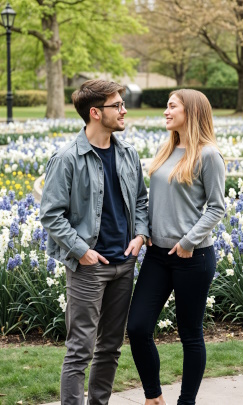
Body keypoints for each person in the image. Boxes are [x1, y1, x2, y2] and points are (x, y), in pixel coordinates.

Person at [40, 79, 149, 405]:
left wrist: (141, 236)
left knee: (110, 348)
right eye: (117, 105)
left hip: (124, 263)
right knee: (80, 350)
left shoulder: (128, 153)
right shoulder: (68, 158)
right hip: (89, 268)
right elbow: (51, 214)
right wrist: (81, 251)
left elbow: (142, 201)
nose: (124, 110)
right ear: (95, 113)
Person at [127, 89, 225, 405]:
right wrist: (145, 232)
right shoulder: (165, 149)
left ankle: (186, 402)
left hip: (192, 257)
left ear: (191, 112)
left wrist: (187, 242)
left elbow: (216, 207)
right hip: (157, 255)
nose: (166, 111)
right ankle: (154, 397)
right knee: (138, 327)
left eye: (172, 106)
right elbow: (150, 199)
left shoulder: (208, 154)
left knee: (190, 334)